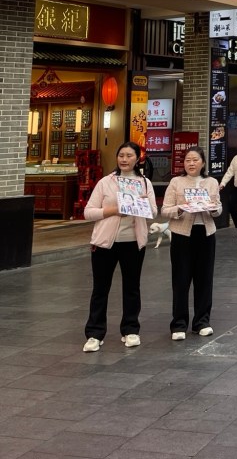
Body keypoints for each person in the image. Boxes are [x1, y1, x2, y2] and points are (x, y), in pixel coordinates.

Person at [82, 141, 157, 352]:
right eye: (121, 155)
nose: (124, 159)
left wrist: (143, 204)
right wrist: (114, 210)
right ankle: (95, 334)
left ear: (138, 159)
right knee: (100, 289)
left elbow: (153, 212)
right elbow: (88, 212)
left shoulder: (145, 183)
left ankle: (131, 330)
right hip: (105, 244)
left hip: (133, 243)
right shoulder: (106, 182)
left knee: (132, 287)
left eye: (129, 155)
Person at [162, 147, 222, 340]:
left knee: (204, 279)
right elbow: (165, 209)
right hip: (182, 235)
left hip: (205, 234)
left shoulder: (212, 182)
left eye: (195, 160)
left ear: (203, 163)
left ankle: (202, 322)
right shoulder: (176, 182)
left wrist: (213, 209)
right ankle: (179, 324)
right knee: (181, 279)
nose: (191, 163)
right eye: (188, 160)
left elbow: (218, 208)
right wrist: (180, 209)